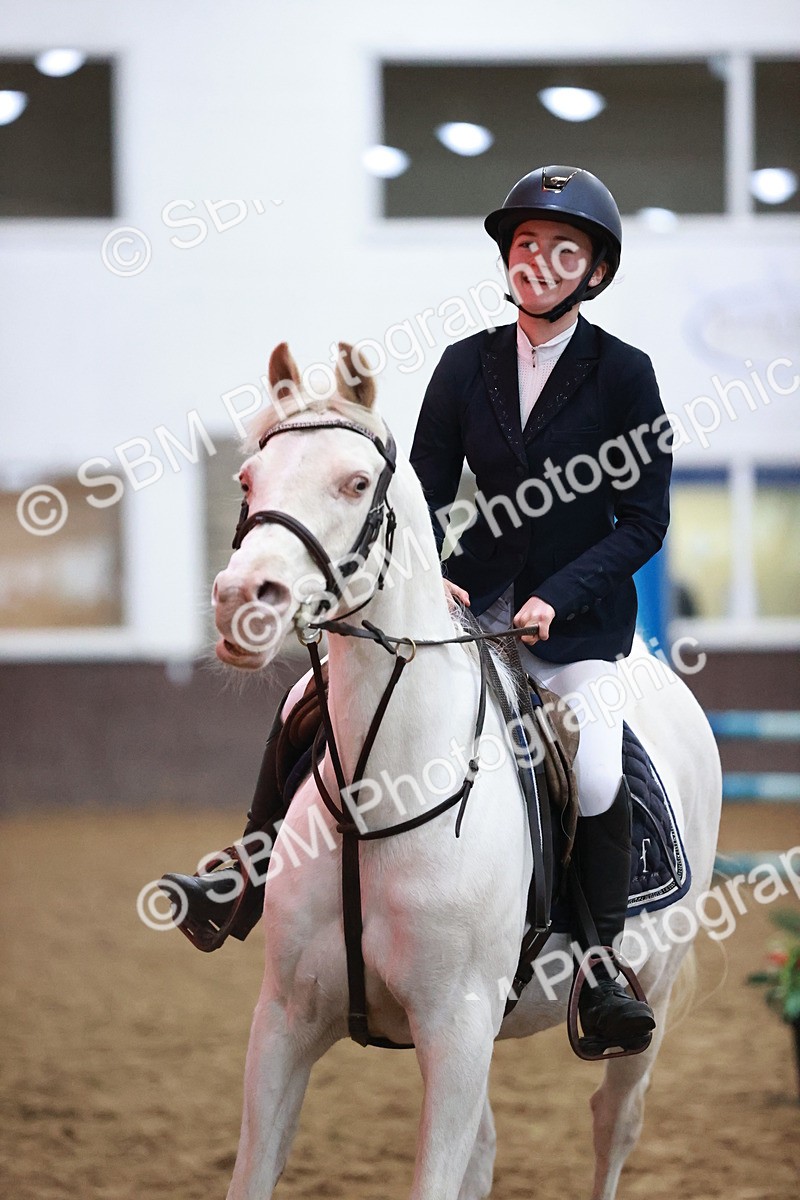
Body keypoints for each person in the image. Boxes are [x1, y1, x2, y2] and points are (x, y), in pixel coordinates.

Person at [408, 164, 671, 1047]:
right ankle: (248, 876)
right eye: (527, 245)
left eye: (564, 250)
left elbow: (644, 521)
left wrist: (560, 596)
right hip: (473, 614)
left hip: (579, 630)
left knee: (593, 773)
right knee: (321, 701)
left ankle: (599, 972)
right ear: (508, 258)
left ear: (594, 272)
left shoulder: (625, 375)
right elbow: (420, 494)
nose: (541, 261)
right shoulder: (463, 364)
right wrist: (430, 570)